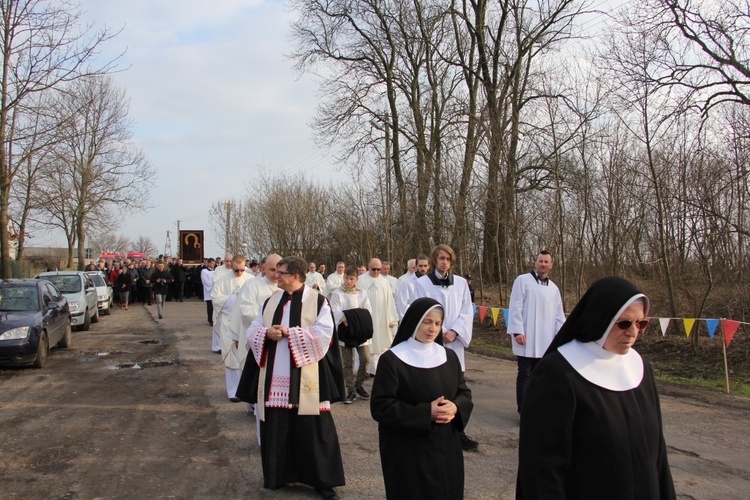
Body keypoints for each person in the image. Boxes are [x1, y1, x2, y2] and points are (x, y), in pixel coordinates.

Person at [516, 276, 676, 499]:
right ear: (601, 320)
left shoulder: (641, 368)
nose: (633, 332)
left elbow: (659, 457)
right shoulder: (558, 373)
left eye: (641, 323)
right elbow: (542, 470)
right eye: (624, 323)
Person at [238, 256, 346, 499]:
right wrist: (267, 332)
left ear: (295, 276)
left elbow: (324, 333)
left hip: (307, 377)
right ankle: (277, 475)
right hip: (276, 373)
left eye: (281, 273)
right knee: (277, 423)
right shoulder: (270, 300)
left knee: (313, 428)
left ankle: (322, 480)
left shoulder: (317, 301)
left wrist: (290, 333)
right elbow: (253, 327)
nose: (276, 276)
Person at [370, 297, 473, 500]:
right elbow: (381, 407)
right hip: (408, 451)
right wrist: (427, 412)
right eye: (427, 322)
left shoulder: (449, 357)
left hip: (446, 448)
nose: (432, 328)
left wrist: (455, 407)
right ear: (415, 320)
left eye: (437, 323)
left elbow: (464, 394)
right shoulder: (392, 359)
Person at [413, 244, 477, 451]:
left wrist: (455, 332)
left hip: (454, 342)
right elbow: (420, 311)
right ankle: (435, 428)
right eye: (441, 258)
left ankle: (458, 430)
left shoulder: (460, 283)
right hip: (433, 340)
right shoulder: (422, 283)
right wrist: (439, 333)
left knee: (456, 387)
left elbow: (467, 311)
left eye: (448, 259)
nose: (444, 262)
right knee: (435, 385)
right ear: (434, 260)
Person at [506, 250, 566, 414]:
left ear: (551, 265)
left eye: (546, 262)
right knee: (525, 374)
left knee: (540, 376)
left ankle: (537, 409)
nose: (543, 264)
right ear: (535, 263)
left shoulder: (554, 289)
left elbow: (558, 316)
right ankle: (524, 410)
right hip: (526, 338)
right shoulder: (523, 281)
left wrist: (560, 338)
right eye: (540, 261)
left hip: (546, 340)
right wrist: (517, 331)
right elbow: (515, 306)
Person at [212, 255, 254, 401]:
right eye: (237, 270)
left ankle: (246, 390)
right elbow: (215, 299)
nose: (240, 273)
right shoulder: (222, 280)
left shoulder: (250, 280)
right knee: (231, 356)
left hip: (245, 323)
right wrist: (233, 299)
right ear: (231, 267)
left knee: (246, 355)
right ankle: (233, 391)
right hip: (229, 321)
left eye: (242, 269)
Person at [329, 266, 373, 404]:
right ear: (344, 278)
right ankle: (350, 390)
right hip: (345, 330)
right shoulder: (337, 293)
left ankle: (359, 384)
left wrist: (353, 318)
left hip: (360, 330)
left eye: (352, 279)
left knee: (365, 358)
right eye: (347, 278)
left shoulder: (362, 293)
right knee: (347, 362)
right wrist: (346, 318)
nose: (349, 281)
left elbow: (367, 310)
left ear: (356, 279)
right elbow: (335, 310)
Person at [356, 258, 398, 375]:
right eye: (373, 269)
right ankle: (364, 370)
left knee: (380, 342)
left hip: (381, 318)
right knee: (366, 343)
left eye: (378, 269)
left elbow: (390, 302)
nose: (376, 272)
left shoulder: (384, 282)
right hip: (365, 318)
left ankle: (377, 370)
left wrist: (392, 320)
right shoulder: (361, 280)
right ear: (368, 267)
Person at [395, 255, 430, 319]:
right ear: (416, 266)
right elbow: (401, 306)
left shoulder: (431, 283)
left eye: (425, 266)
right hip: (413, 319)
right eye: (420, 266)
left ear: (429, 266)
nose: (423, 268)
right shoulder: (407, 283)